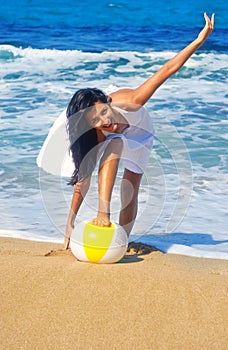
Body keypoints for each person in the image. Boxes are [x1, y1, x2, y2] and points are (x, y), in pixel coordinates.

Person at [64, 13, 215, 249]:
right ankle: (104, 214)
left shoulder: (133, 101)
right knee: (112, 142)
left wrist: (199, 39)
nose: (104, 121)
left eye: (103, 112)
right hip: (115, 140)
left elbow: (167, 70)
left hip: (141, 133)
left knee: (129, 189)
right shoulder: (97, 132)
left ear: (106, 102)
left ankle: (120, 241)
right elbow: (83, 181)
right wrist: (69, 225)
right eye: (95, 120)